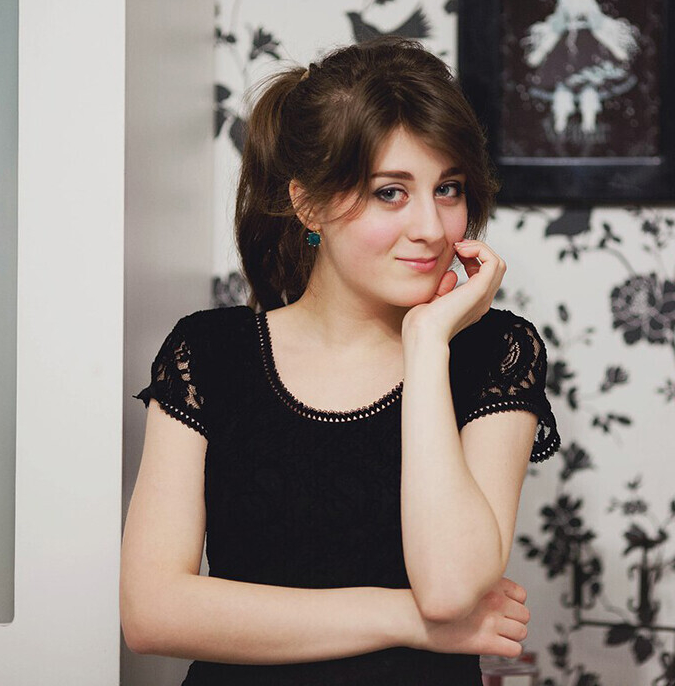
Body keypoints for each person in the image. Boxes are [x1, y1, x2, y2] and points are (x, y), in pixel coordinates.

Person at [120, 35, 561, 686]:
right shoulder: (208, 354)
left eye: (448, 188)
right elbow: (152, 613)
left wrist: (427, 343)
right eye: (390, 192)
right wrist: (407, 620)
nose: (432, 228)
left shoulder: (496, 351)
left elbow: (450, 589)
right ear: (309, 204)